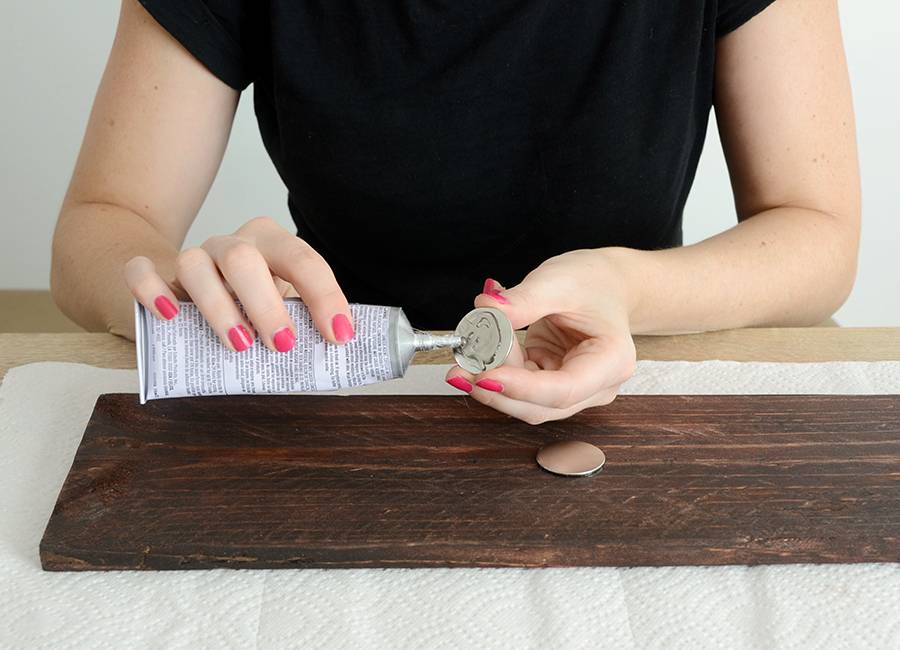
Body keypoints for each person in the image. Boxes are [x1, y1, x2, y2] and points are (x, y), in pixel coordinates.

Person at [50, 0, 861, 424]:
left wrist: (625, 289)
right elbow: (100, 220)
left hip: (640, 374)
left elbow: (818, 232)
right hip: (338, 398)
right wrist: (181, 299)